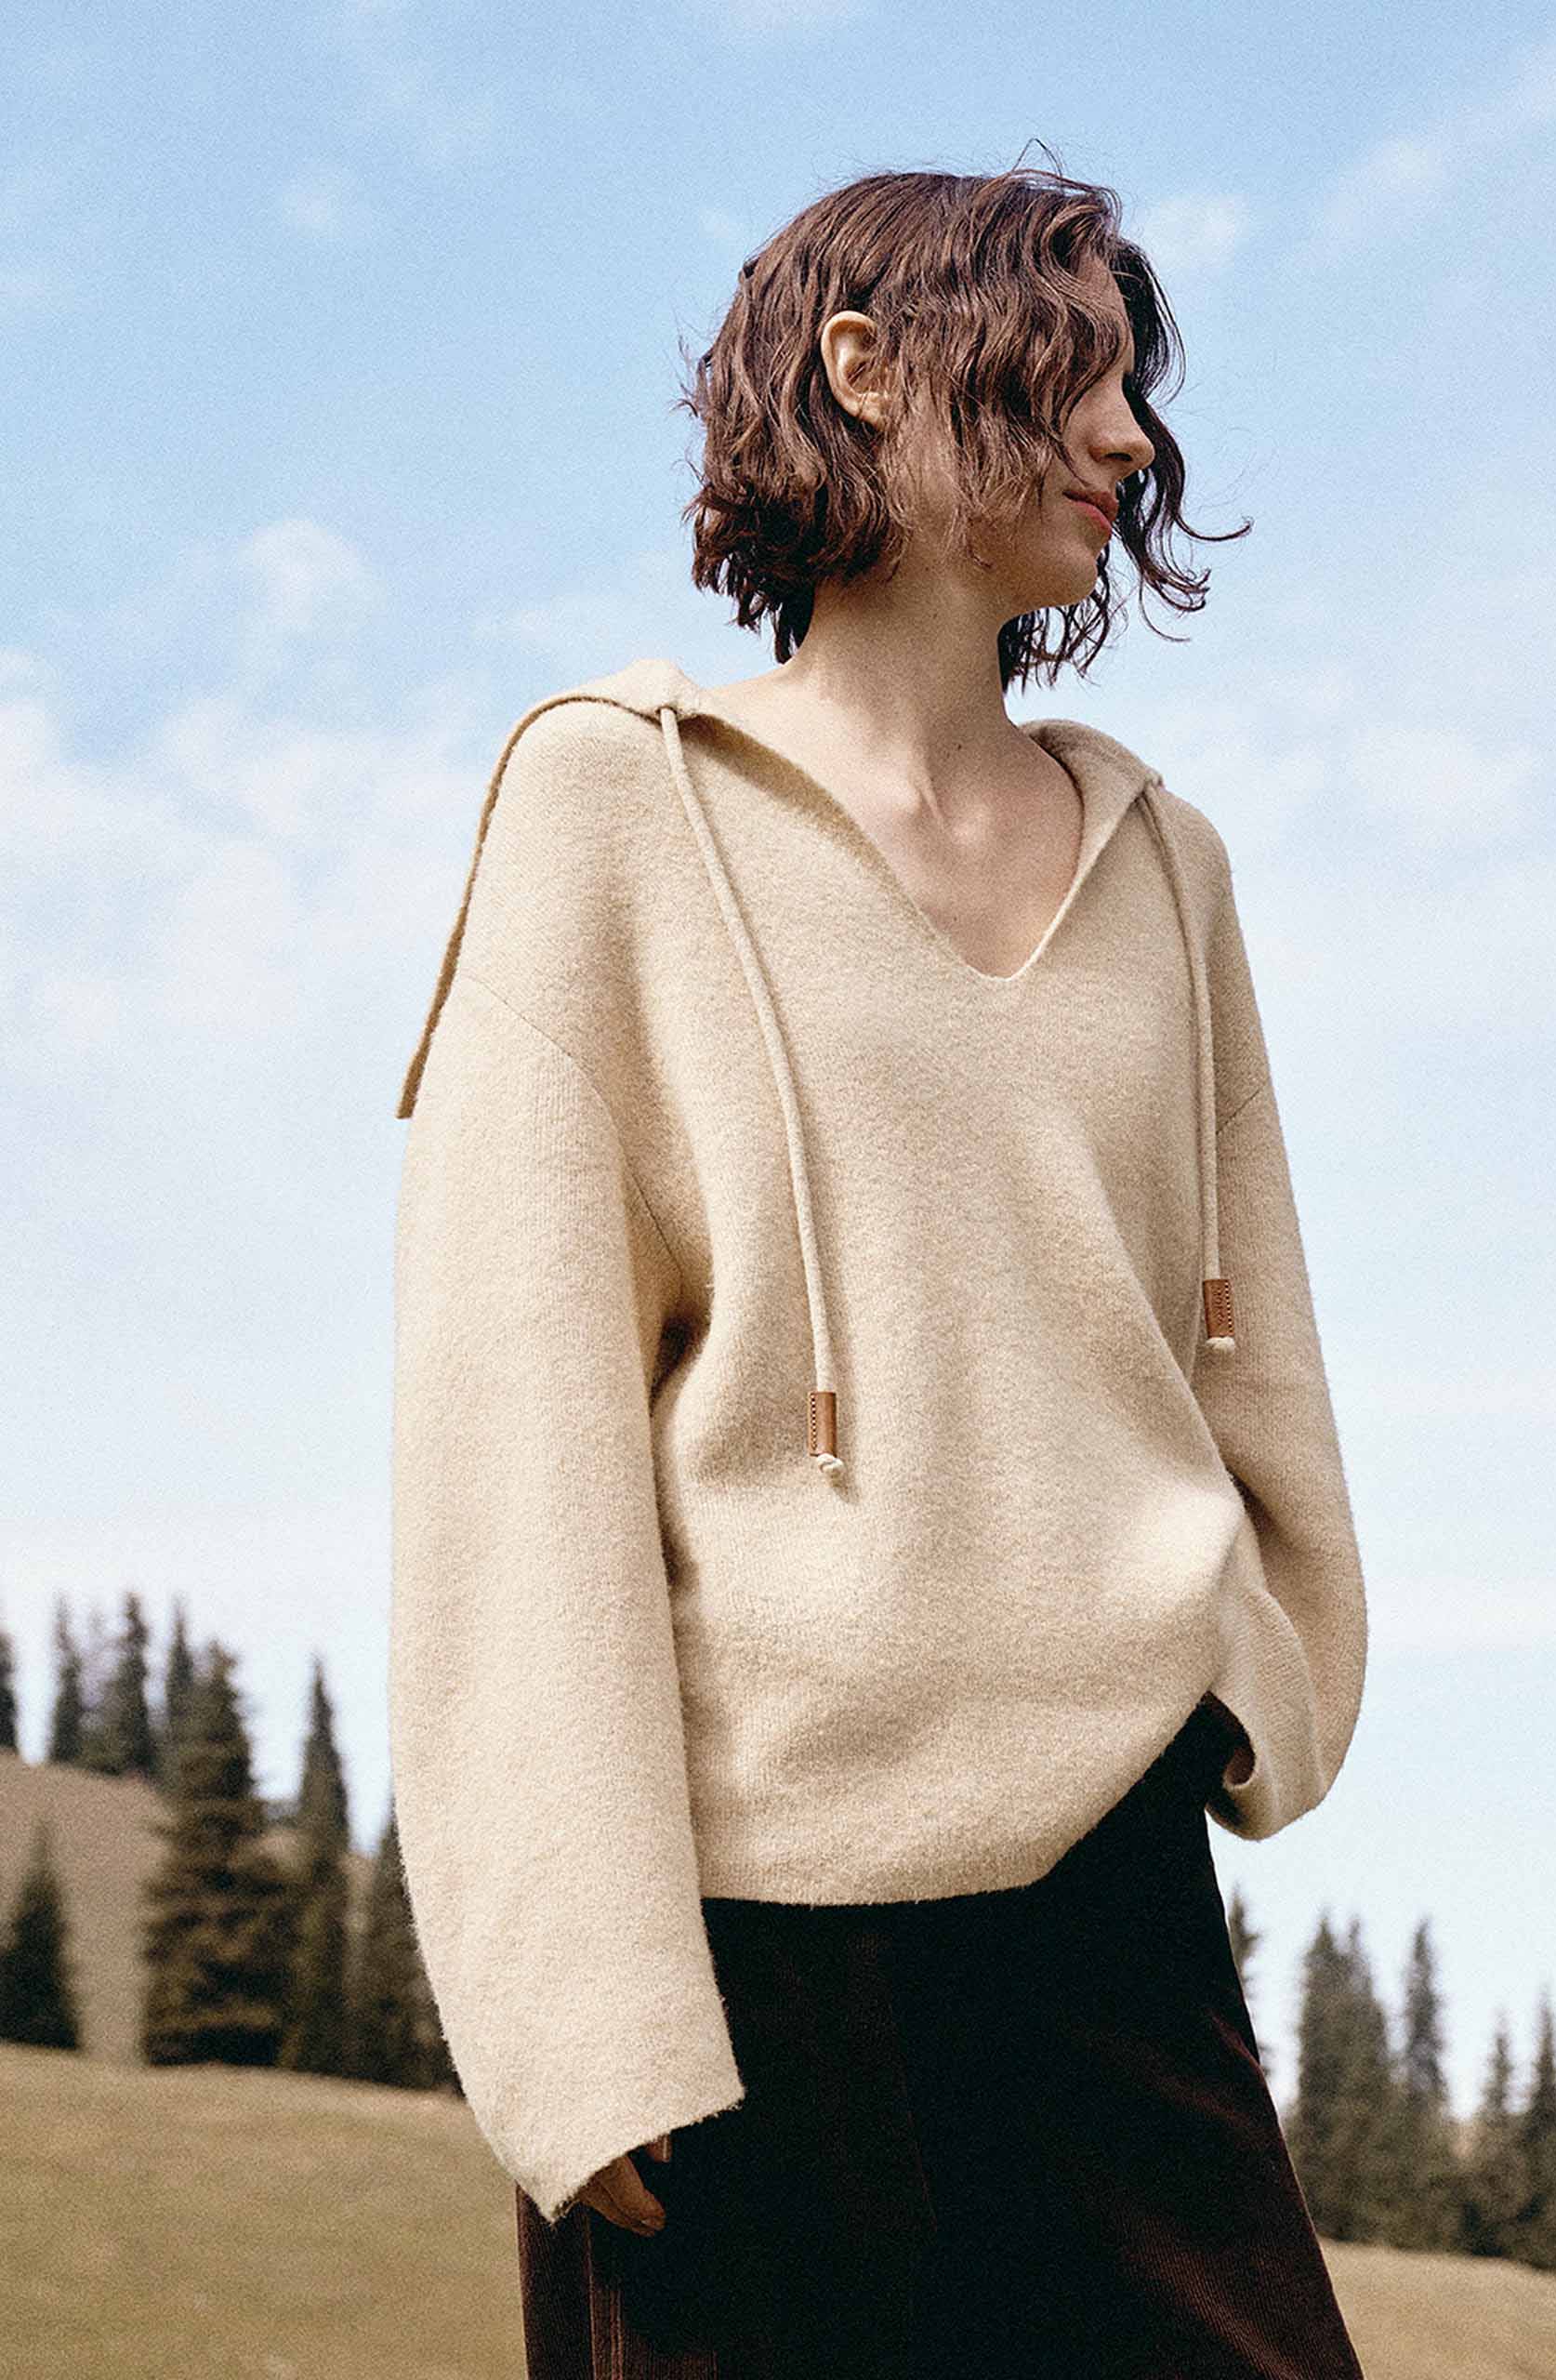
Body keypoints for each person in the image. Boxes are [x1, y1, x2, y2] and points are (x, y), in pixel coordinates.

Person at [389, 156, 1370, 2379]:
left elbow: (1252, 1336)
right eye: (1075, 370)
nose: (1129, 435)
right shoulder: (613, 809)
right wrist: (578, 2002)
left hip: (1113, 1904)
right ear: (864, 366)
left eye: (1136, 387)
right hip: (751, 1945)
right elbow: (512, 1433)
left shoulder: (1169, 866)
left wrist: (1259, 1664)